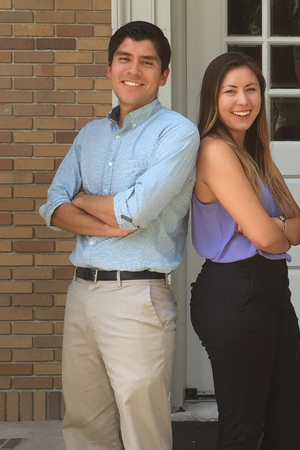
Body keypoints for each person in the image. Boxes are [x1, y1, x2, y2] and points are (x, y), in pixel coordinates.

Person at [38, 21, 200, 450]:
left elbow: (134, 212)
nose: (135, 70)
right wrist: (111, 219)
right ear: (109, 68)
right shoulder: (90, 135)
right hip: (82, 293)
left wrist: (88, 199)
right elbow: (53, 204)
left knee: (141, 428)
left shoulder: (177, 133)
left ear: (163, 74)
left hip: (136, 299)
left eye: (147, 62)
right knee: (84, 424)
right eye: (125, 59)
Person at [189, 52, 300, 450]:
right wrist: (274, 231)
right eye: (231, 91)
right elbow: (272, 239)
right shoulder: (214, 150)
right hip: (234, 293)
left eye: (251, 90)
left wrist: (271, 228)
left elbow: (299, 227)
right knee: (242, 430)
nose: (243, 101)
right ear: (213, 98)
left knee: (289, 423)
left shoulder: (257, 155)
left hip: (271, 291)